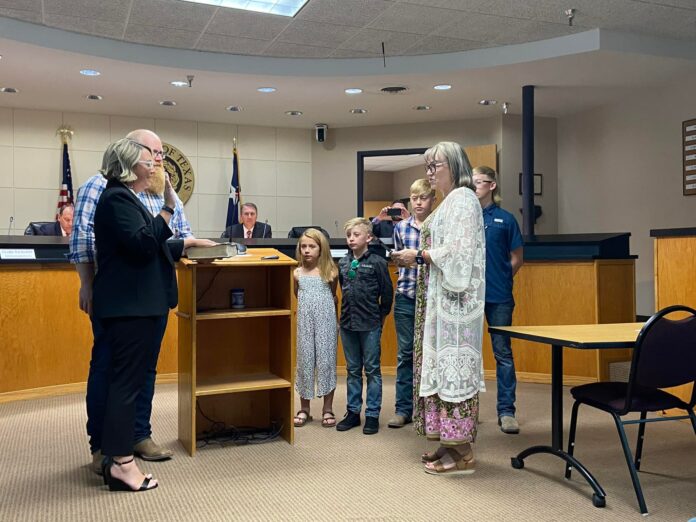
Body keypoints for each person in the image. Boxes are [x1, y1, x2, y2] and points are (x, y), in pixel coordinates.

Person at [70, 129, 213, 473]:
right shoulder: (101, 187)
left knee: (143, 369)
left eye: (161, 153)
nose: (158, 159)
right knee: (109, 369)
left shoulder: (161, 190)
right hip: (119, 300)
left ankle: (137, 435)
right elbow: (84, 238)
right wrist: (86, 283)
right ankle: (103, 445)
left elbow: (169, 237)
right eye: (153, 152)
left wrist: (190, 243)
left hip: (152, 295)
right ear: (133, 155)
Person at [92, 138, 183, 491]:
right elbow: (143, 243)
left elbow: (142, 245)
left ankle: (120, 461)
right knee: (125, 386)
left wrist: (180, 242)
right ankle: (122, 465)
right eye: (150, 159)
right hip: (130, 309)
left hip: (136, 306)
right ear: (130, 165)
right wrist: (168, 209)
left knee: (125, 384)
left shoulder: (123, 198)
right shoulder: (117, 197)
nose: (155, 164)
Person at [391, 141, 485, 475]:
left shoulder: (463, 199)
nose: (430, 173)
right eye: (427, 166)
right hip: (440, 301)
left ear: (456, 165)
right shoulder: (450, 202)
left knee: (451, 369)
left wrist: (417, 255)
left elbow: (458, 253)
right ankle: (449, 443)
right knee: (440, 370)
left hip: (456, 307)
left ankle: (462, 452)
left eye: (436, 165)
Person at [472, 166, 524, 434]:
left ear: (491, 185)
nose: (474, 186)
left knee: (502, 353)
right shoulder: (464, 218)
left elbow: (517, 257)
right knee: (467, 354)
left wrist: (502, 276)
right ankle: (468, 410)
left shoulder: (506, 219)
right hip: (467, 296)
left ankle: (507, 411)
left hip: (498, 295)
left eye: (478, 182)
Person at [336, 218, 393, 435]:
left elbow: (386, 293)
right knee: (352, 370)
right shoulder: (343, 262)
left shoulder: (378, 262)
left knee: (372, 370)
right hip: (349, 323)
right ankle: (352, 412)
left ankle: (372, 414)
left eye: (356, 234)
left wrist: (381, 317)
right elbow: (343, 288)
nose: (351, 238)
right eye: (349, 235)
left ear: (368, 237)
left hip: (370, 323)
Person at [387, 179, 436, 429]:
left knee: (430, 354)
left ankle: (430, 409)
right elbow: (397, 259)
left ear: (432, 199)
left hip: (432, 298)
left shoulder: (439, 225)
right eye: (414, 198)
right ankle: (403, 409)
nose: (418, 202)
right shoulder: (401, 228)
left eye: (423, 197)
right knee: (405, 354)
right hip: (406, 295)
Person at [292, 228, 339, 429]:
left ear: (321, 249)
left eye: (312, 246)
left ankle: (327, 409)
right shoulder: (297, 273)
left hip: (326, 321)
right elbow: (297, 296)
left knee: (326, 362)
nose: (307, 250)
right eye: (304, 246)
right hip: (305, 322)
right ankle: (305, 409)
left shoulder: (331, 271)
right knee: (305, 361)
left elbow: (333, 295)